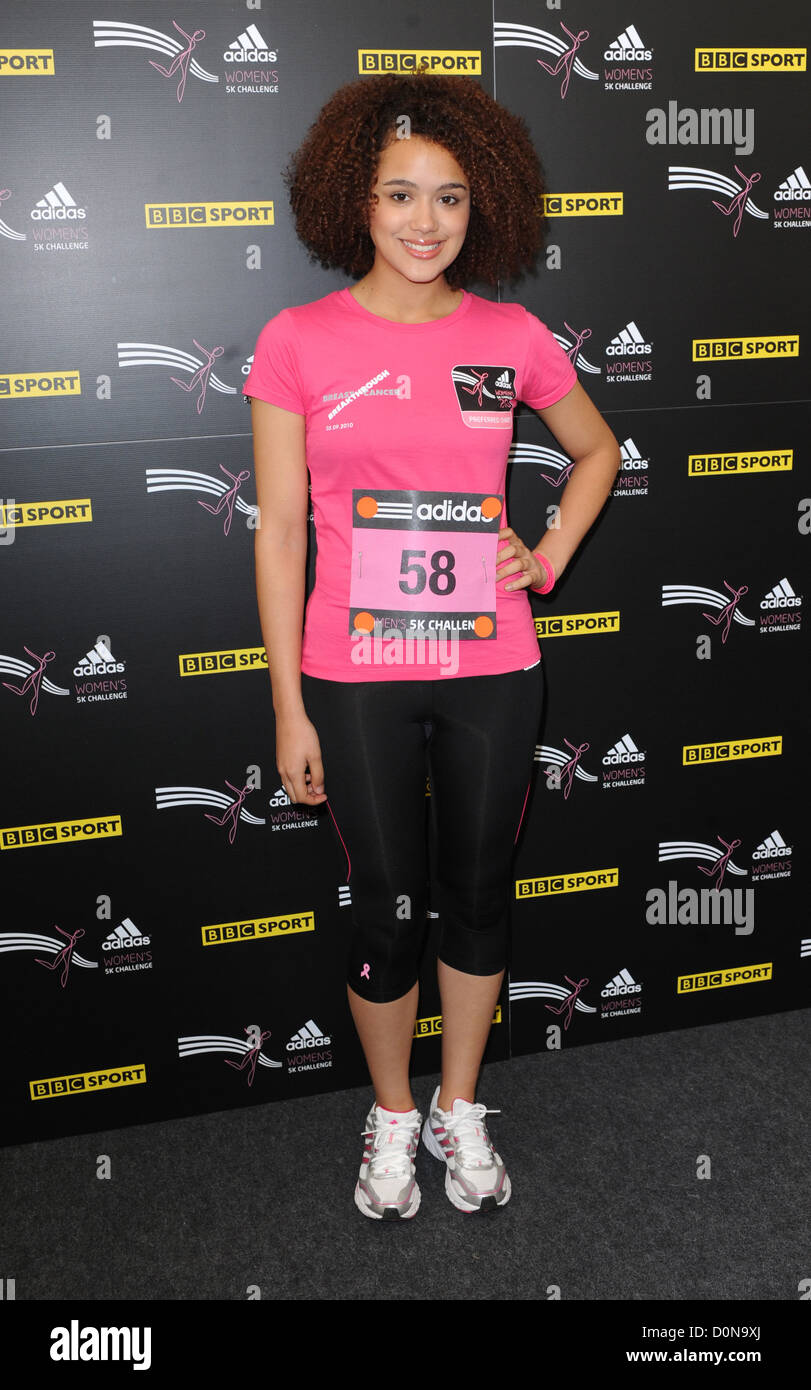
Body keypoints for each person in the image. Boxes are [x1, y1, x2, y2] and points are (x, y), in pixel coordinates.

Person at [244, 72, 620, 1220]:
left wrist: (545, 555)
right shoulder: (296, 339)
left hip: (491, 668)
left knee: (475, 893)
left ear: (481, 206)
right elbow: (279, 537)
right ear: (351, 202)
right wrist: (286, 708)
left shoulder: (507, 336)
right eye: (399, 194)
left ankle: (460, 1104)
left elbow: (596, 450)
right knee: (382, 903)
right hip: (351, 675)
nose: (424, 221)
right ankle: (393, 1111)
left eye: (449, 198)